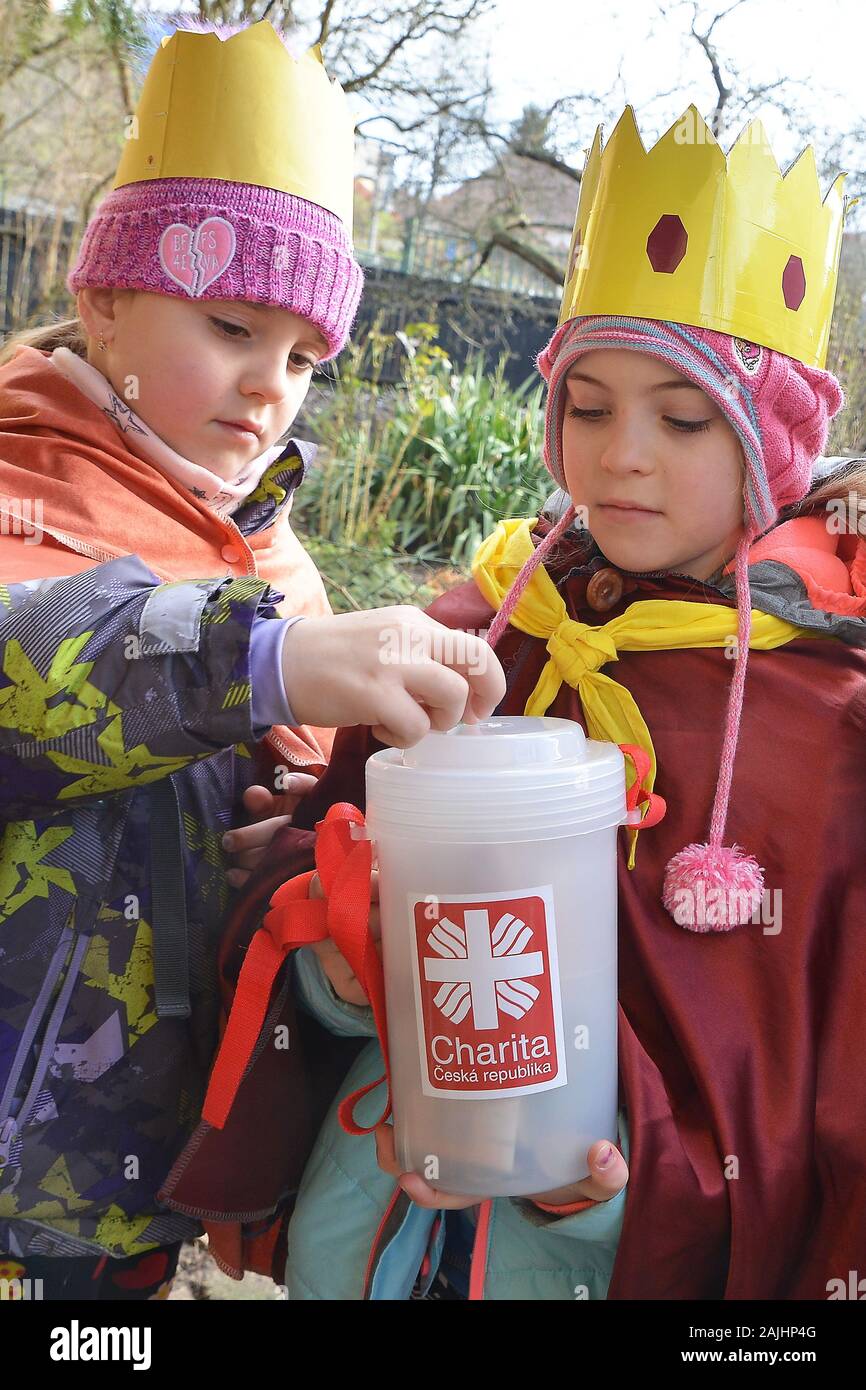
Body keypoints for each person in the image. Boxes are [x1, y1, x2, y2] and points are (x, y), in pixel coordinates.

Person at [220, 104, 865, 1299]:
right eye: (587, 403)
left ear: (771, 445)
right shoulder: (483, 630)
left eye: (681, 418)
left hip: (588, 1257)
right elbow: (333, 880)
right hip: (369, 1226)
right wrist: (343, 958)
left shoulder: (820, 720)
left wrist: (599, 1201)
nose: (619, 454)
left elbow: (802, 1073)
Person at [0, 18, 503, 1300]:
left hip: (135, 1158)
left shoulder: (270, 555)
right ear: (101, 294)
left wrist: (288, 816)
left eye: (300, 359)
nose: (267, 386)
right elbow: (38, 663)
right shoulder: (19, 481)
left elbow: (270, 771)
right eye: (229, 325)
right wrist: (270, 668)